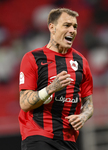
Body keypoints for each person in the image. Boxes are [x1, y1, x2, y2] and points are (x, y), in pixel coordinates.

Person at [19, 8, 94, 150]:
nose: (72, 30)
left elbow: (88, 103)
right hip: (38, 136)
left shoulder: (82, 62)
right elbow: (24, 103)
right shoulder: (33, 58)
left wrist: (83, 117)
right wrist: (50, 88)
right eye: (67, 25)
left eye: (75, 27)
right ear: (52, 27)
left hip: (68, 139)